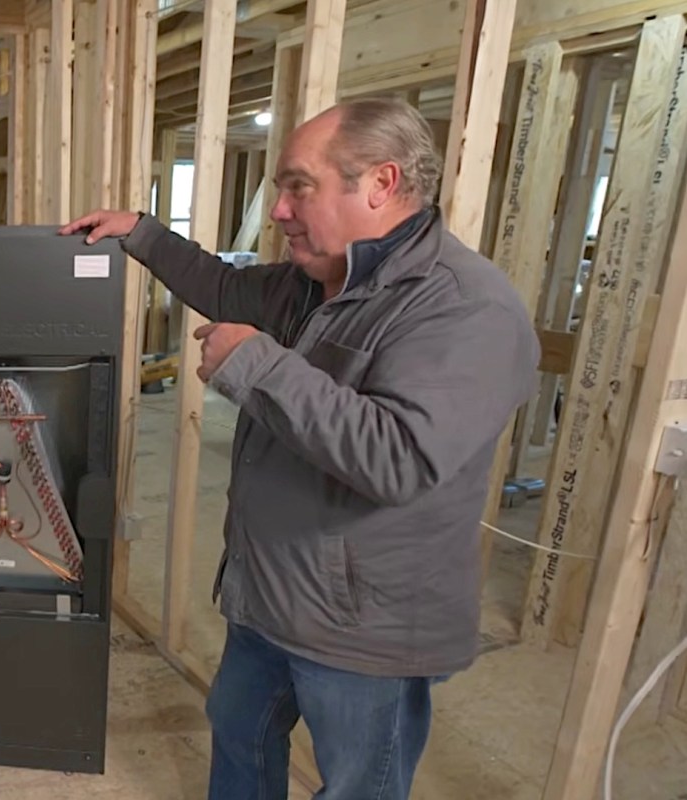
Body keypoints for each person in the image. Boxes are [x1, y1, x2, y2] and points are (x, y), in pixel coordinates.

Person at [60, 97, 539, 799]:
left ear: (379, 184)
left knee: (356, 783)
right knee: (240, 737)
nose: (279, 210)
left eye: (298, 187)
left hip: (362, 627)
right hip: (270, 594)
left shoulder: (464, 308)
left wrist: (257, 364)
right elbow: (224, 285)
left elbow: (401, 457)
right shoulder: (315, 280)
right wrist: (142, 233)